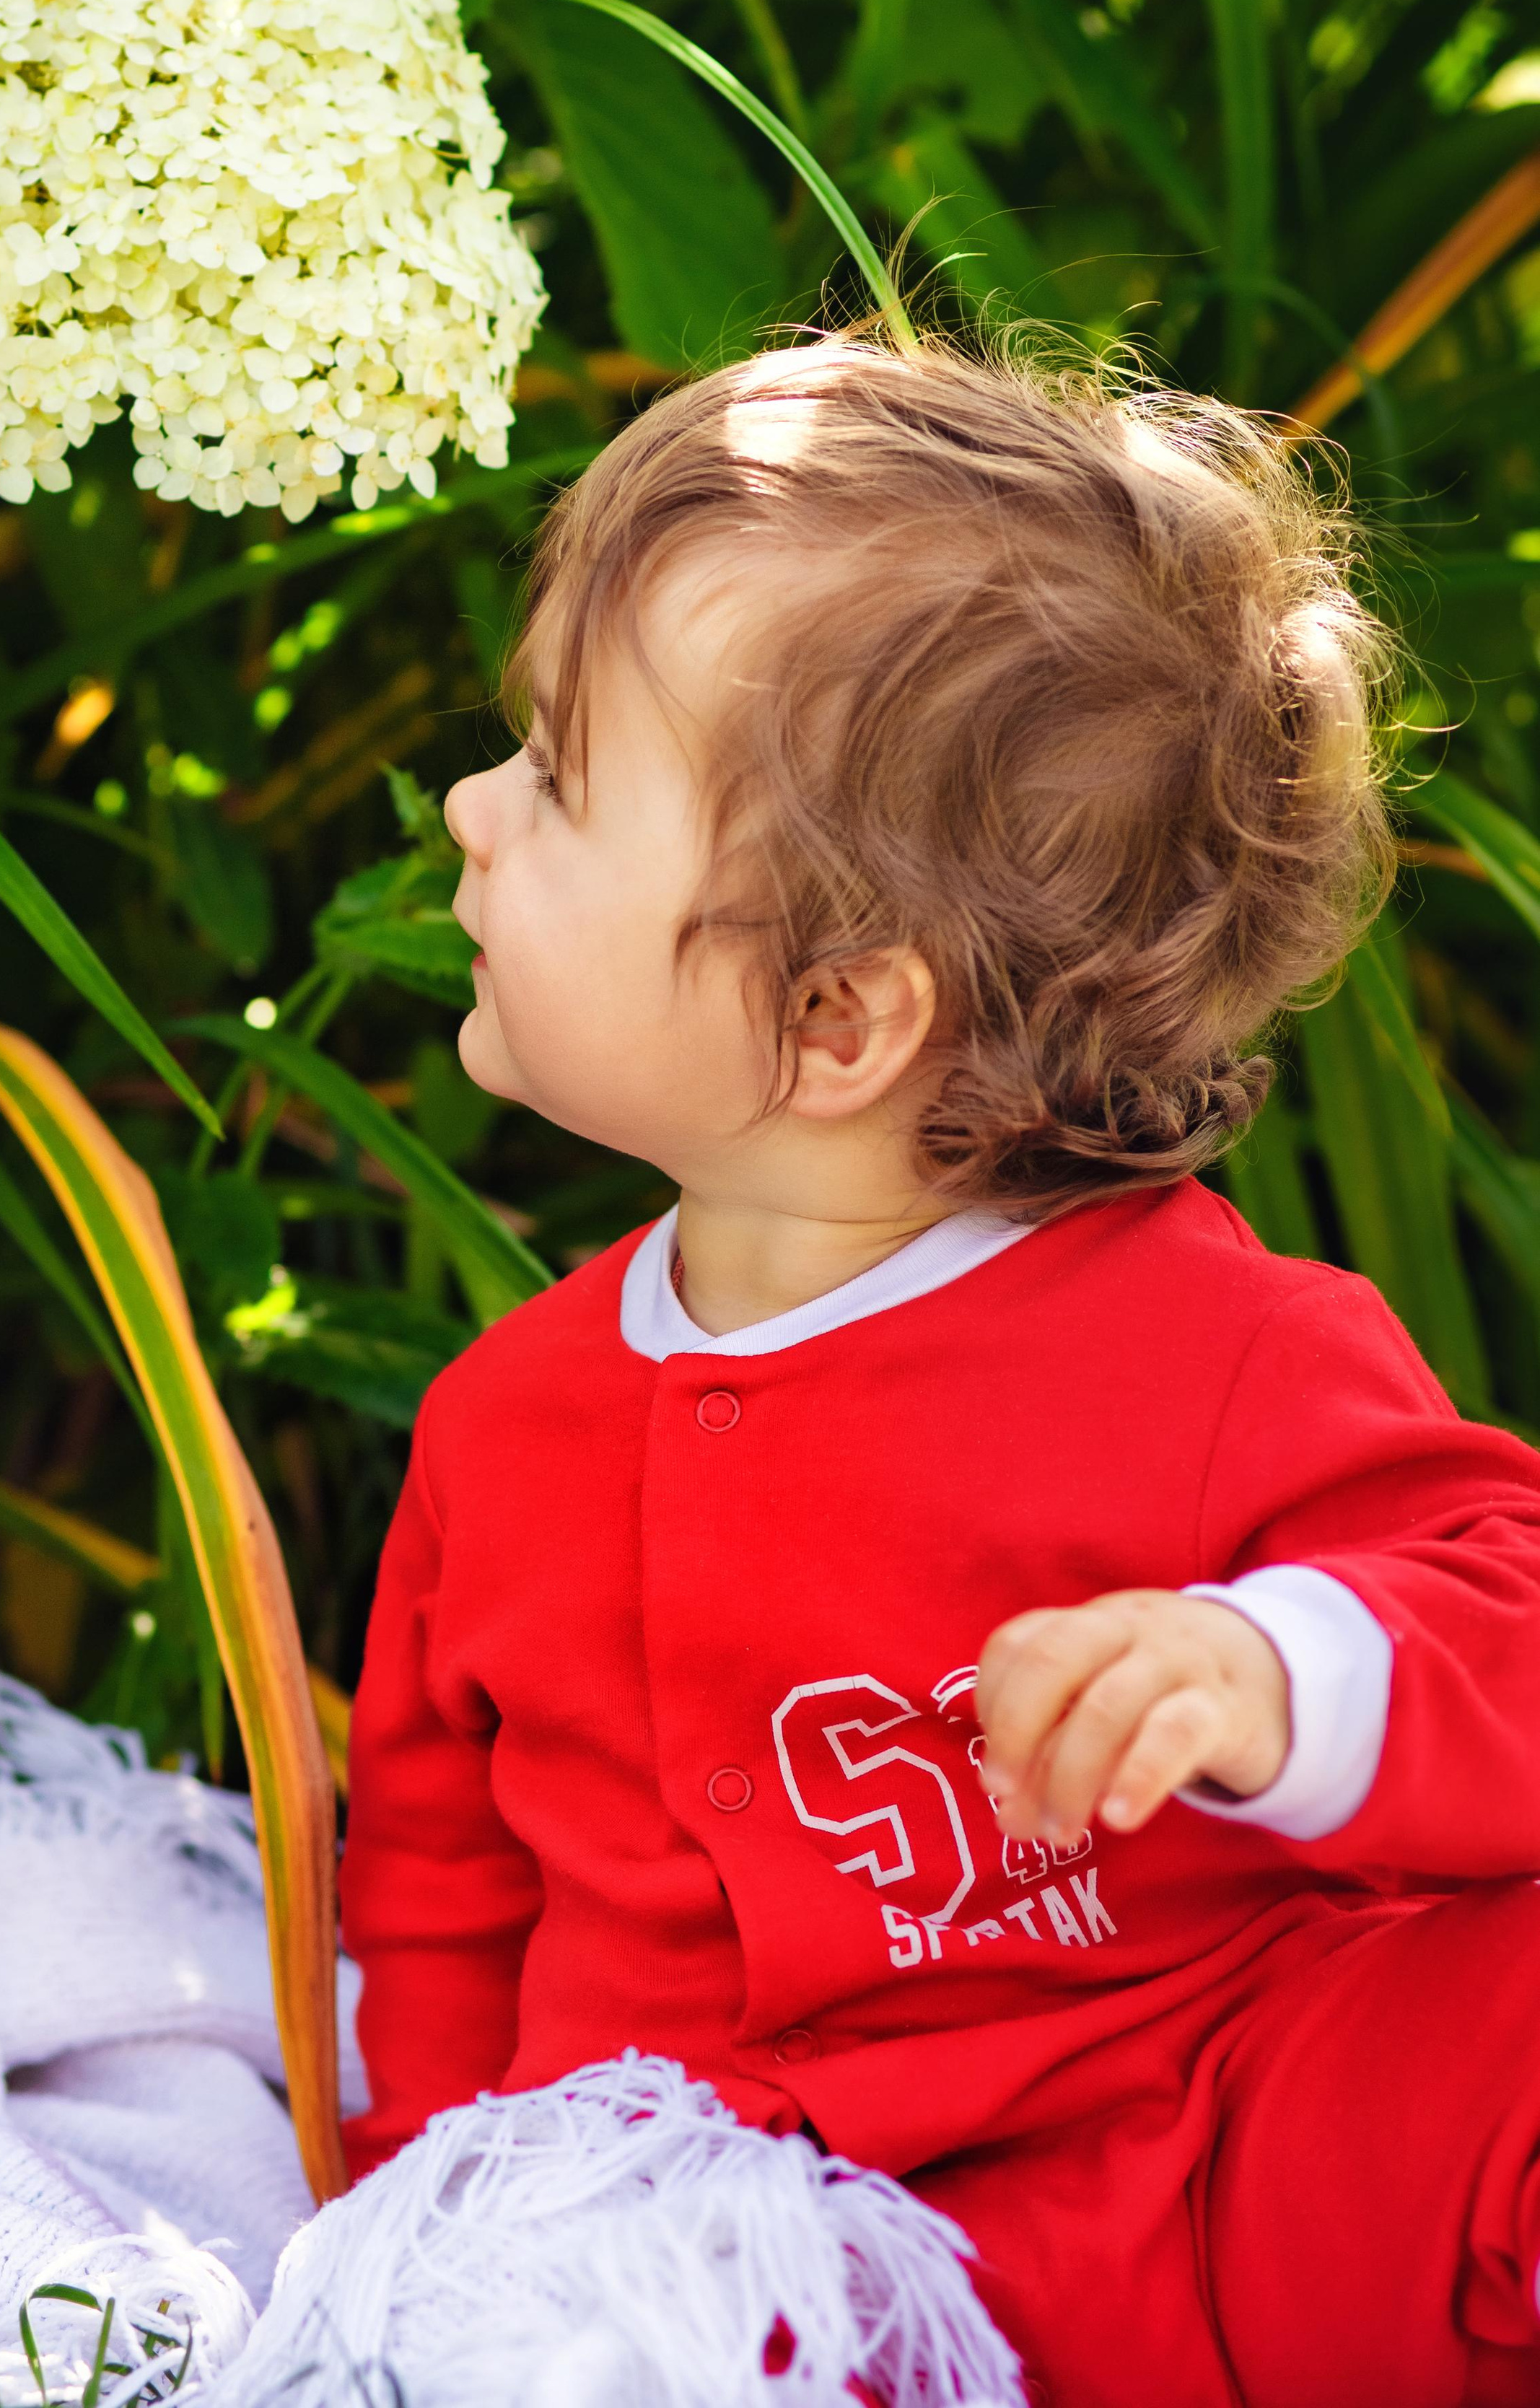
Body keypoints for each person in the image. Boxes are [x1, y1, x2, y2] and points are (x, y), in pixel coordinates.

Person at [337, 330, 1540, 2408]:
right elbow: (440, 1889)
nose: (470, 810)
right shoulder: (506, 1420)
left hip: (1207, 2145)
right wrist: (417, 2217)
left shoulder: (1217, 1347)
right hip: (737, 2234)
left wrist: (1277, 1671)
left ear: (832, 1025)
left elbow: (1502, 1609)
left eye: (553, 778)